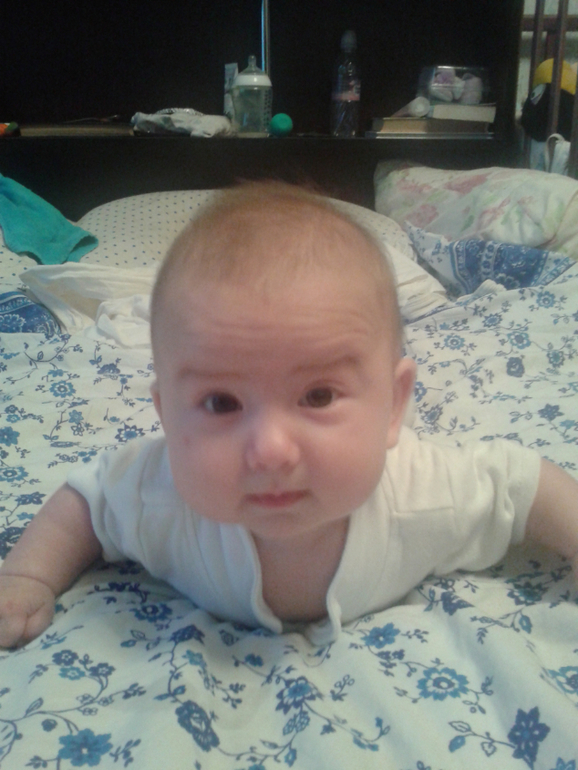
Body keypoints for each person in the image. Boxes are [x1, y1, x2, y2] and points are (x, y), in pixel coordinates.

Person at [0, 181, 576, 649]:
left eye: (318, 396)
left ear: (393, 406)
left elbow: (522, 484)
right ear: (167, 419)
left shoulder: (425, 493)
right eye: (221, 403)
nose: (271, 450)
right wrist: (27, 575)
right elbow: (87, 502)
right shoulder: (158, 493)